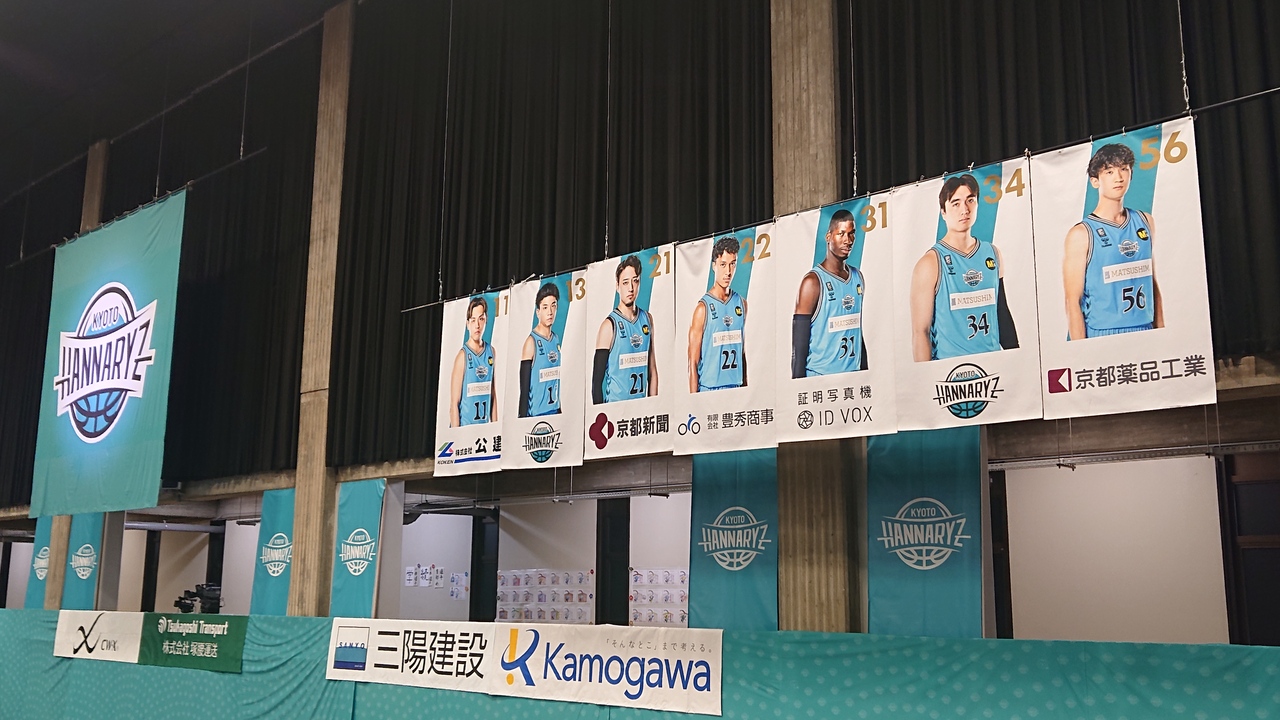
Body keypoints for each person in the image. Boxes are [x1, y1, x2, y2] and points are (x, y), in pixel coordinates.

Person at [910, 173, 1019, 361]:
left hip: (993, 365)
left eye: (970, 201)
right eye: (956, 203)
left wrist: (1017, 360)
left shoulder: (993, 253)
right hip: (951, 371)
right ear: (943, 212)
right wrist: (926, 377)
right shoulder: (930, 263)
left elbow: (1001, 313)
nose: (964, 210)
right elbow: (921, 332)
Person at [1063, 143, 1163, 339]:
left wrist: (1161, 333)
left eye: (1124, 169)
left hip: (1145, 329)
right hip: (1103, 335)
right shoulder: (1081, 234)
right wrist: (1081, 351)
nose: (1118, 178)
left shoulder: (1145, 221)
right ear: (1095, 181)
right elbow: (1072, 301)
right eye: (1109, 172)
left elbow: (1151, 281)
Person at [792, 209, 867, 378]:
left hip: (853, 377)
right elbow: (799, 348)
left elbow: (856, 331)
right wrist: (797, 386)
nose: (848, 240)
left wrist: (864, 371)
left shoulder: (857, 277)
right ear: (828, 237)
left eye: (851, 234)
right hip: (821, 378)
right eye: (841, 234)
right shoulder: (812, 282)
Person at [593, 255, 658, 403]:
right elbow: (596, 383)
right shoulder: (609, 325)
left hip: (641, 408)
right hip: (616, 409)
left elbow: (652, 371)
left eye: (635, 281)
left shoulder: (647, 319)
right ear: (617, 286)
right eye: (625, 282)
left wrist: (653, 406)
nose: (630, 288)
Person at [688, 236, 747, 392]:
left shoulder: (741, 304)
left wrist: (746, 391)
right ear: (714, 266)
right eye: (723, 265)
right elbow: (692, 363)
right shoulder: (703, 308)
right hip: (710, 390)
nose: (728, 271)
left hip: (736, 388)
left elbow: (742, 353)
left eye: (732, 264)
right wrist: (693, 401)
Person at [449, 296, 497, 427]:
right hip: (466, 429)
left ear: (486, 320)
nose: (477, 325)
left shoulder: (491, 351)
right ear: (468, 324)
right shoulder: (462, 356)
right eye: (473, 320)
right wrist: (456, 435)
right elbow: (454, 404)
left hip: (484, 429)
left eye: (481, 319)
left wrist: (495, 428)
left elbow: (493, 396)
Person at [519, 282, 561, 417]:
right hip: (537, 416)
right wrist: (522, 421)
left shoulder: (556, 339)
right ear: (538, 312)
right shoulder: (531, 342)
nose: (550, 312)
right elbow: (524, 390)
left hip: (555, 412)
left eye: (553, 306)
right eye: (545, 307)